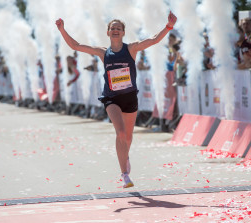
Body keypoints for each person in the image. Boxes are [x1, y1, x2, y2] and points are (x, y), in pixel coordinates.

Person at [56, 11, 177, 188]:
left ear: (123, 32)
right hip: (111, 98)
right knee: (120, 133)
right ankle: (125, 174)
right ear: (108, 32)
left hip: (130, 98)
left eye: (118, 28)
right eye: (112, 28)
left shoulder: (131, 49)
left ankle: (125, 156)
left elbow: (153, 40)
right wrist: (62, 30)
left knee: (127, 138)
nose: (115, 30)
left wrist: (169, 26)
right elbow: (76, 45)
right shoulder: (103, 53)